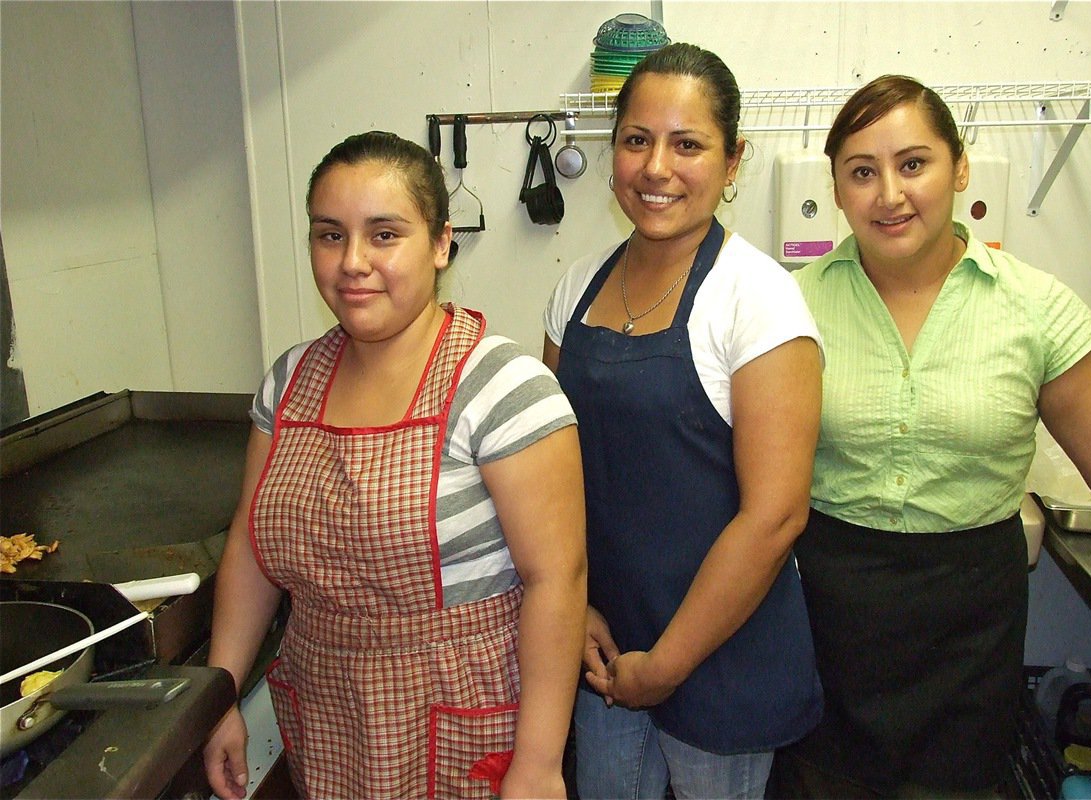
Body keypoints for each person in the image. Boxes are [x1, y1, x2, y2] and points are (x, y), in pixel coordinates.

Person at [770, 74, 1091, 799]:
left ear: (958, 167)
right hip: (826, 619)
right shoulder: (788, 306)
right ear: (837, 188)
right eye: (862, 173)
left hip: (968, 630)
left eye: (913, 164)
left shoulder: (1035, 308)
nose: (889, 194)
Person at [202, 131, 587, 800]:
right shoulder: (288, 384)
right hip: (326, 712)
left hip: (463, 714)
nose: (353, 262)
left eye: (384, 235)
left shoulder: (502, 386)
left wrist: (539, 763)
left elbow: (557, 579)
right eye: (329, 235)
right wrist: (220, 695)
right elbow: (249, 544)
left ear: (440, 244)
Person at [542, 43, 825, 800]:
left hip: (721, 653)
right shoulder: (576, 289)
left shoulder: (757, 300)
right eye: (636, 140)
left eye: (688, 144)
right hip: (605, 644)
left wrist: (665, 667)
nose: (656, 168)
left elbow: (774, 517)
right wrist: (576, 608)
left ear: (733, 162)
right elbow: (551, 473)